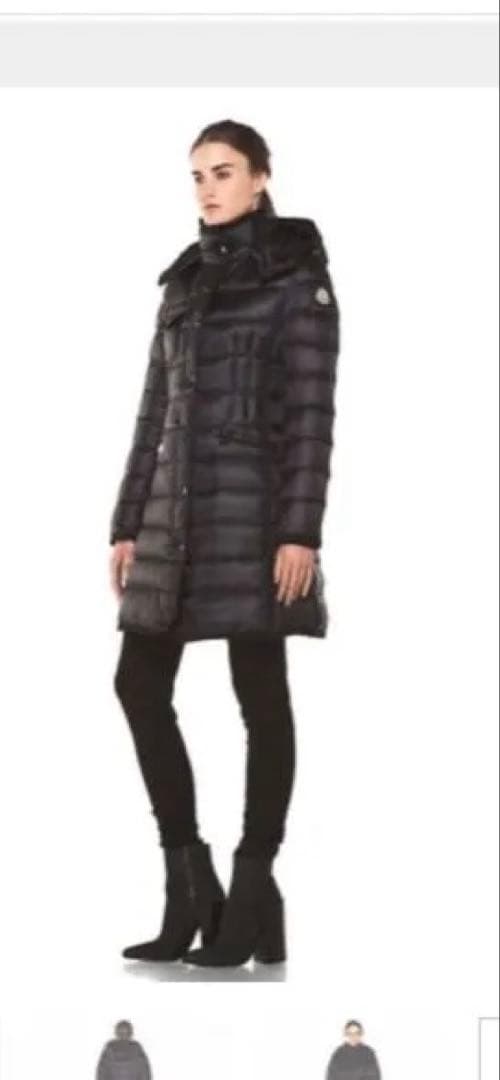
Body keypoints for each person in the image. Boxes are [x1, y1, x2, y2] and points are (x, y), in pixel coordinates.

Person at [109, 118, 341, 968]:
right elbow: (153, 412)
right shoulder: (182, 283)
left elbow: (311, 418)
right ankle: (190, 885)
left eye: (225, 171)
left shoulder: (297, 281)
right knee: (138, 682)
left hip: (256, 521)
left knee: (259, 692)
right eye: (198, 175)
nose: (209, 188)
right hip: (173, 518)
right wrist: (127, 522)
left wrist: (300, 532)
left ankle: (253, 886)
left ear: (261, 177)